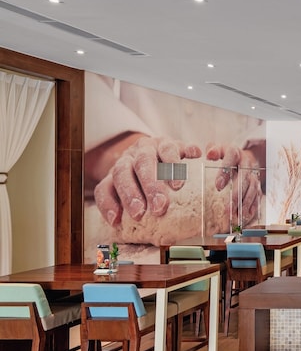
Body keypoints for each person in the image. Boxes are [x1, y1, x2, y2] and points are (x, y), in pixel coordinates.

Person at [84, 74, 265, 253]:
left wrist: (254, 157)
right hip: (137, 170)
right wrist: (131, 157)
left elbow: (278, 119)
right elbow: (86, 89)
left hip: (243, 192)